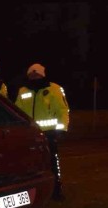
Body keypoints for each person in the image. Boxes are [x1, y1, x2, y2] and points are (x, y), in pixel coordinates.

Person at [15, 63, 69, 200]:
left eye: (37, 75)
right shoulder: (23, 90)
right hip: (30, 134)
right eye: (32, 75)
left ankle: (56, 190)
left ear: (43, 75)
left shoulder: (54, 89)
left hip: (49, 133)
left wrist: (61, 129)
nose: (34, 77)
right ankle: (34, 192)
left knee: (51, 163)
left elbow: (62, 110)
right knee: (30, 164)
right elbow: (17, 110)